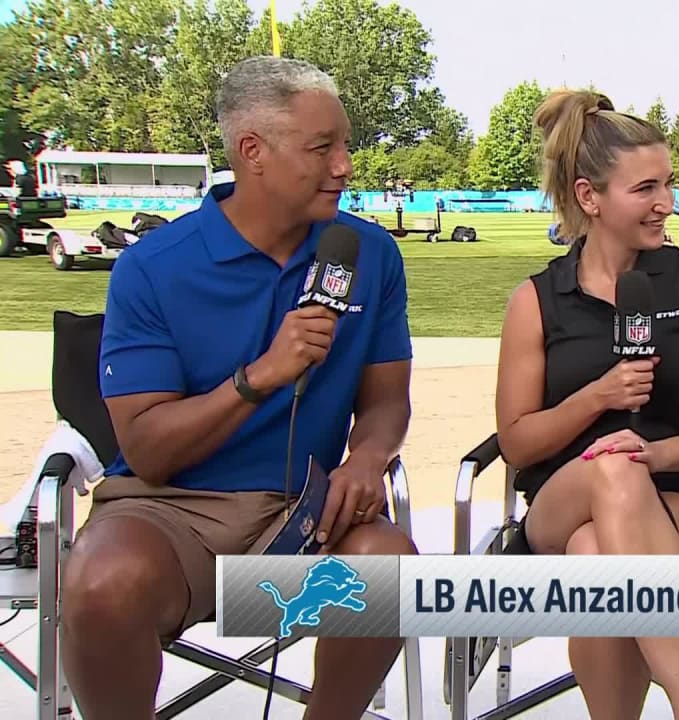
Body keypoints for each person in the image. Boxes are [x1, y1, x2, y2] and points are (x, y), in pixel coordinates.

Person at [59, 56, 418, 720]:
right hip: (169, 513)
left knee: (388, 567)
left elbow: (387, 399)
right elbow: (149, 452)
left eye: (345, 145)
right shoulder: (152, 268)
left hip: (304, 512)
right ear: (252, 151)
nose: (344, 165)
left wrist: (366, 458)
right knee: (102, 583)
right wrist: (259, 378)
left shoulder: (369, 255)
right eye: (322, 147)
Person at [495, 89, 679, 720]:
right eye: (645, 188)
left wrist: (653, 454)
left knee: (595, 553)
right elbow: (517, 444)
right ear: (590, 197)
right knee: (609, 473)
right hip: (561, 497)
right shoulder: (536, 300)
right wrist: (598, 397)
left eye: (669, 183)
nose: (667, 203)